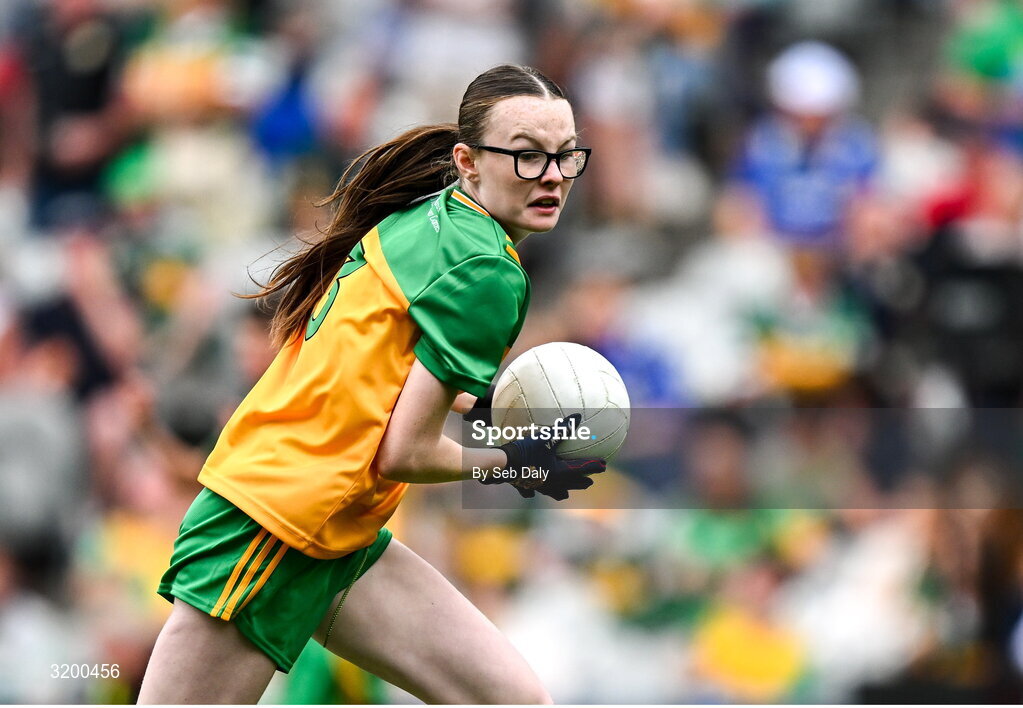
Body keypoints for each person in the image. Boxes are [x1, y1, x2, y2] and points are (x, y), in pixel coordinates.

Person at [137, 64, 604, 704]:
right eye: (526, 157)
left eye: (564, 156)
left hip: (338, 529)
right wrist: (523, 461)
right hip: (274, 528)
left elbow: (388, 379)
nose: (551, 176)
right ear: (467, 161)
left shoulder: (428, 216)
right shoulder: (489, 270)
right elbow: (404, 451)